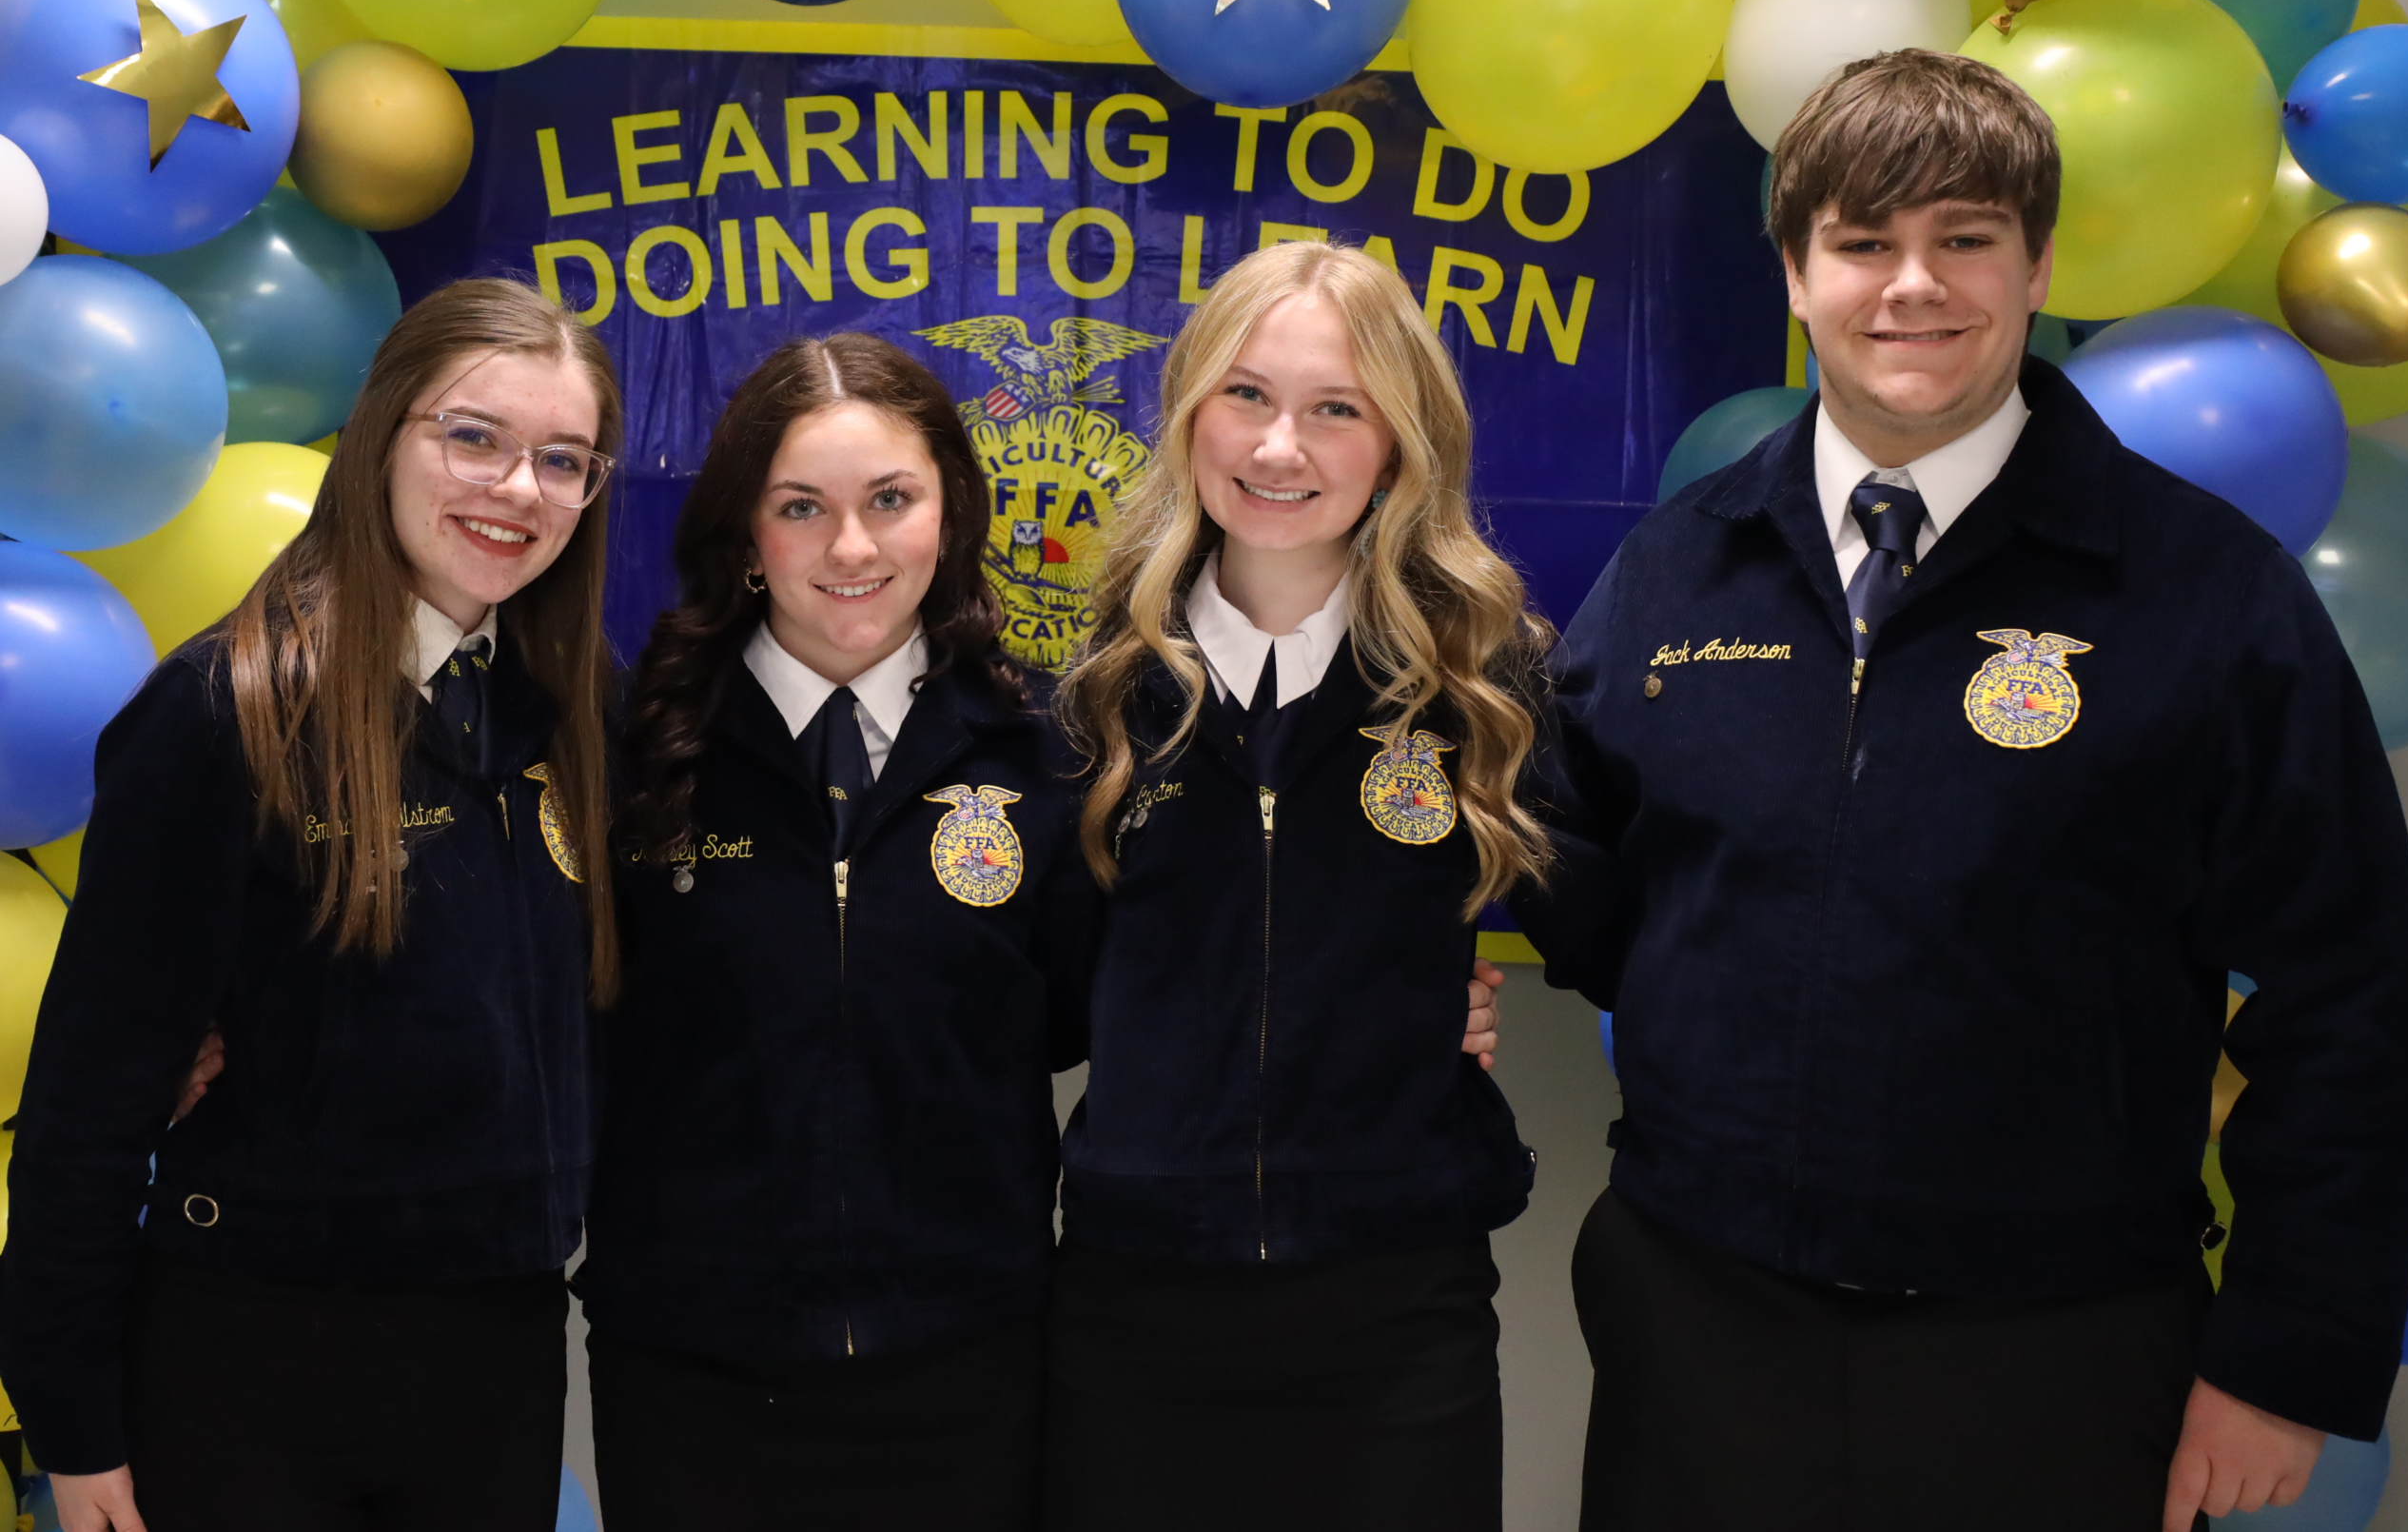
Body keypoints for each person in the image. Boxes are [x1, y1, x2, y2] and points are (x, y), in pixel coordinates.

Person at [1514, 49, 2408, 1532]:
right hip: (1701, 1325)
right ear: (1796, 273)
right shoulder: (1682, 566)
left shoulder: (2207, 592)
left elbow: (2352, 1002)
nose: (1912, 286)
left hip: (2061, 1347)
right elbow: (1572, 869)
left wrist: (2284, 1358)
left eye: (1964, 237)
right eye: (1862, 242)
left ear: (2037, 262)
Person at [0, 278, 623, 1532]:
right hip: (251, 1356)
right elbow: (89, 1100)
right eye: (475, 437)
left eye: (563, 459)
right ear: (381, 432)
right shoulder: (223, 713)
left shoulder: (571, 703)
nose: (518, 488)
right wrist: (75, 1422)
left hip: (496, 1355)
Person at [1046, 239, 1539, 1532]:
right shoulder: (1098, 694)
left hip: (1397, 1310)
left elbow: (1632, 901)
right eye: (1247, 396)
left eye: (1335, 409)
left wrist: (1432, 998)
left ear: (1399, 444)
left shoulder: (1481, 684)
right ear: (1188, 412)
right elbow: (1035, 986)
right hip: (1135, 1304)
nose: (1279, 447)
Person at [575, 333, 1097, 1529]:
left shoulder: (1046, 753)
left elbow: (1102, 1008)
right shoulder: (632, 747)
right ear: (744, 535)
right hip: (691, 1363)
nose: (851, 547)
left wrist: (1425, 1003)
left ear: (950, 514)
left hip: (971, 1354)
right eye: (800, 506)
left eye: (890, 500)